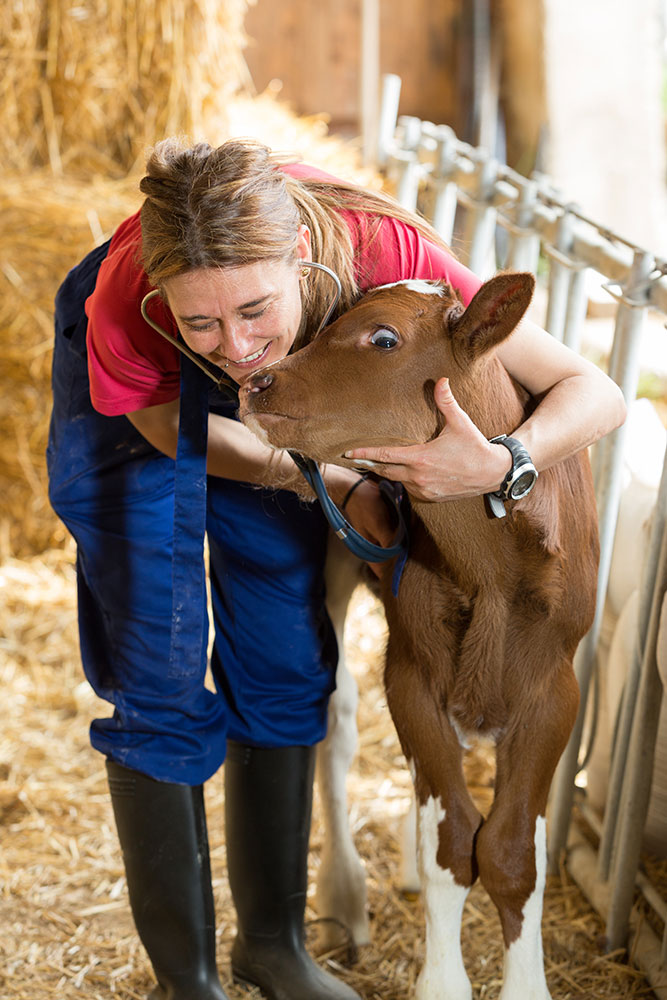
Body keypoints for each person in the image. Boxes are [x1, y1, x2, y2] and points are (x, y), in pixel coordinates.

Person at [47, 138, 625, 1000]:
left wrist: (500, 463)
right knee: (155, 653)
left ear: (305, 260)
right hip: (167, 410)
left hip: (313, 386)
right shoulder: (127, 306)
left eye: (253, 310)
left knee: (284, 641)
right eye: (201, 319)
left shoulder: (387, 253)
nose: (236, 345)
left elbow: (597, 391)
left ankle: (273, 945)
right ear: (163, 298)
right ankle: (188, 981)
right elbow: (177, 434)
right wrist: (328, 476)